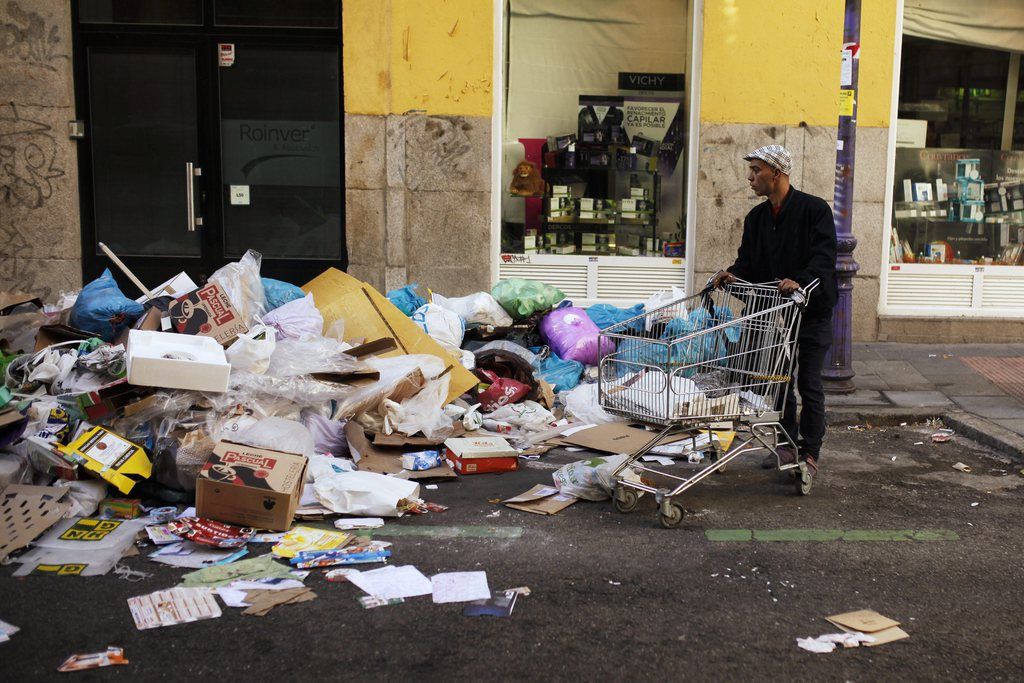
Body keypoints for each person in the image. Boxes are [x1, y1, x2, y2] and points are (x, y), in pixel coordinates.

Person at [711, 144, 837, 483]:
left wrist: (801, 283)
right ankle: (786, 442)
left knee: (809, 383)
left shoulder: (814, 210)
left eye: (756, 170)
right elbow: (749, 263)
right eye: (750, 170)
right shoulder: (757, 218)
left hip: (812, 309)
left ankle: (810, 451)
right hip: (773, 310)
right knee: (778, 379)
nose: (749, 177)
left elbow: (824, 259)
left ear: (776, 174)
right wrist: (732, 274)